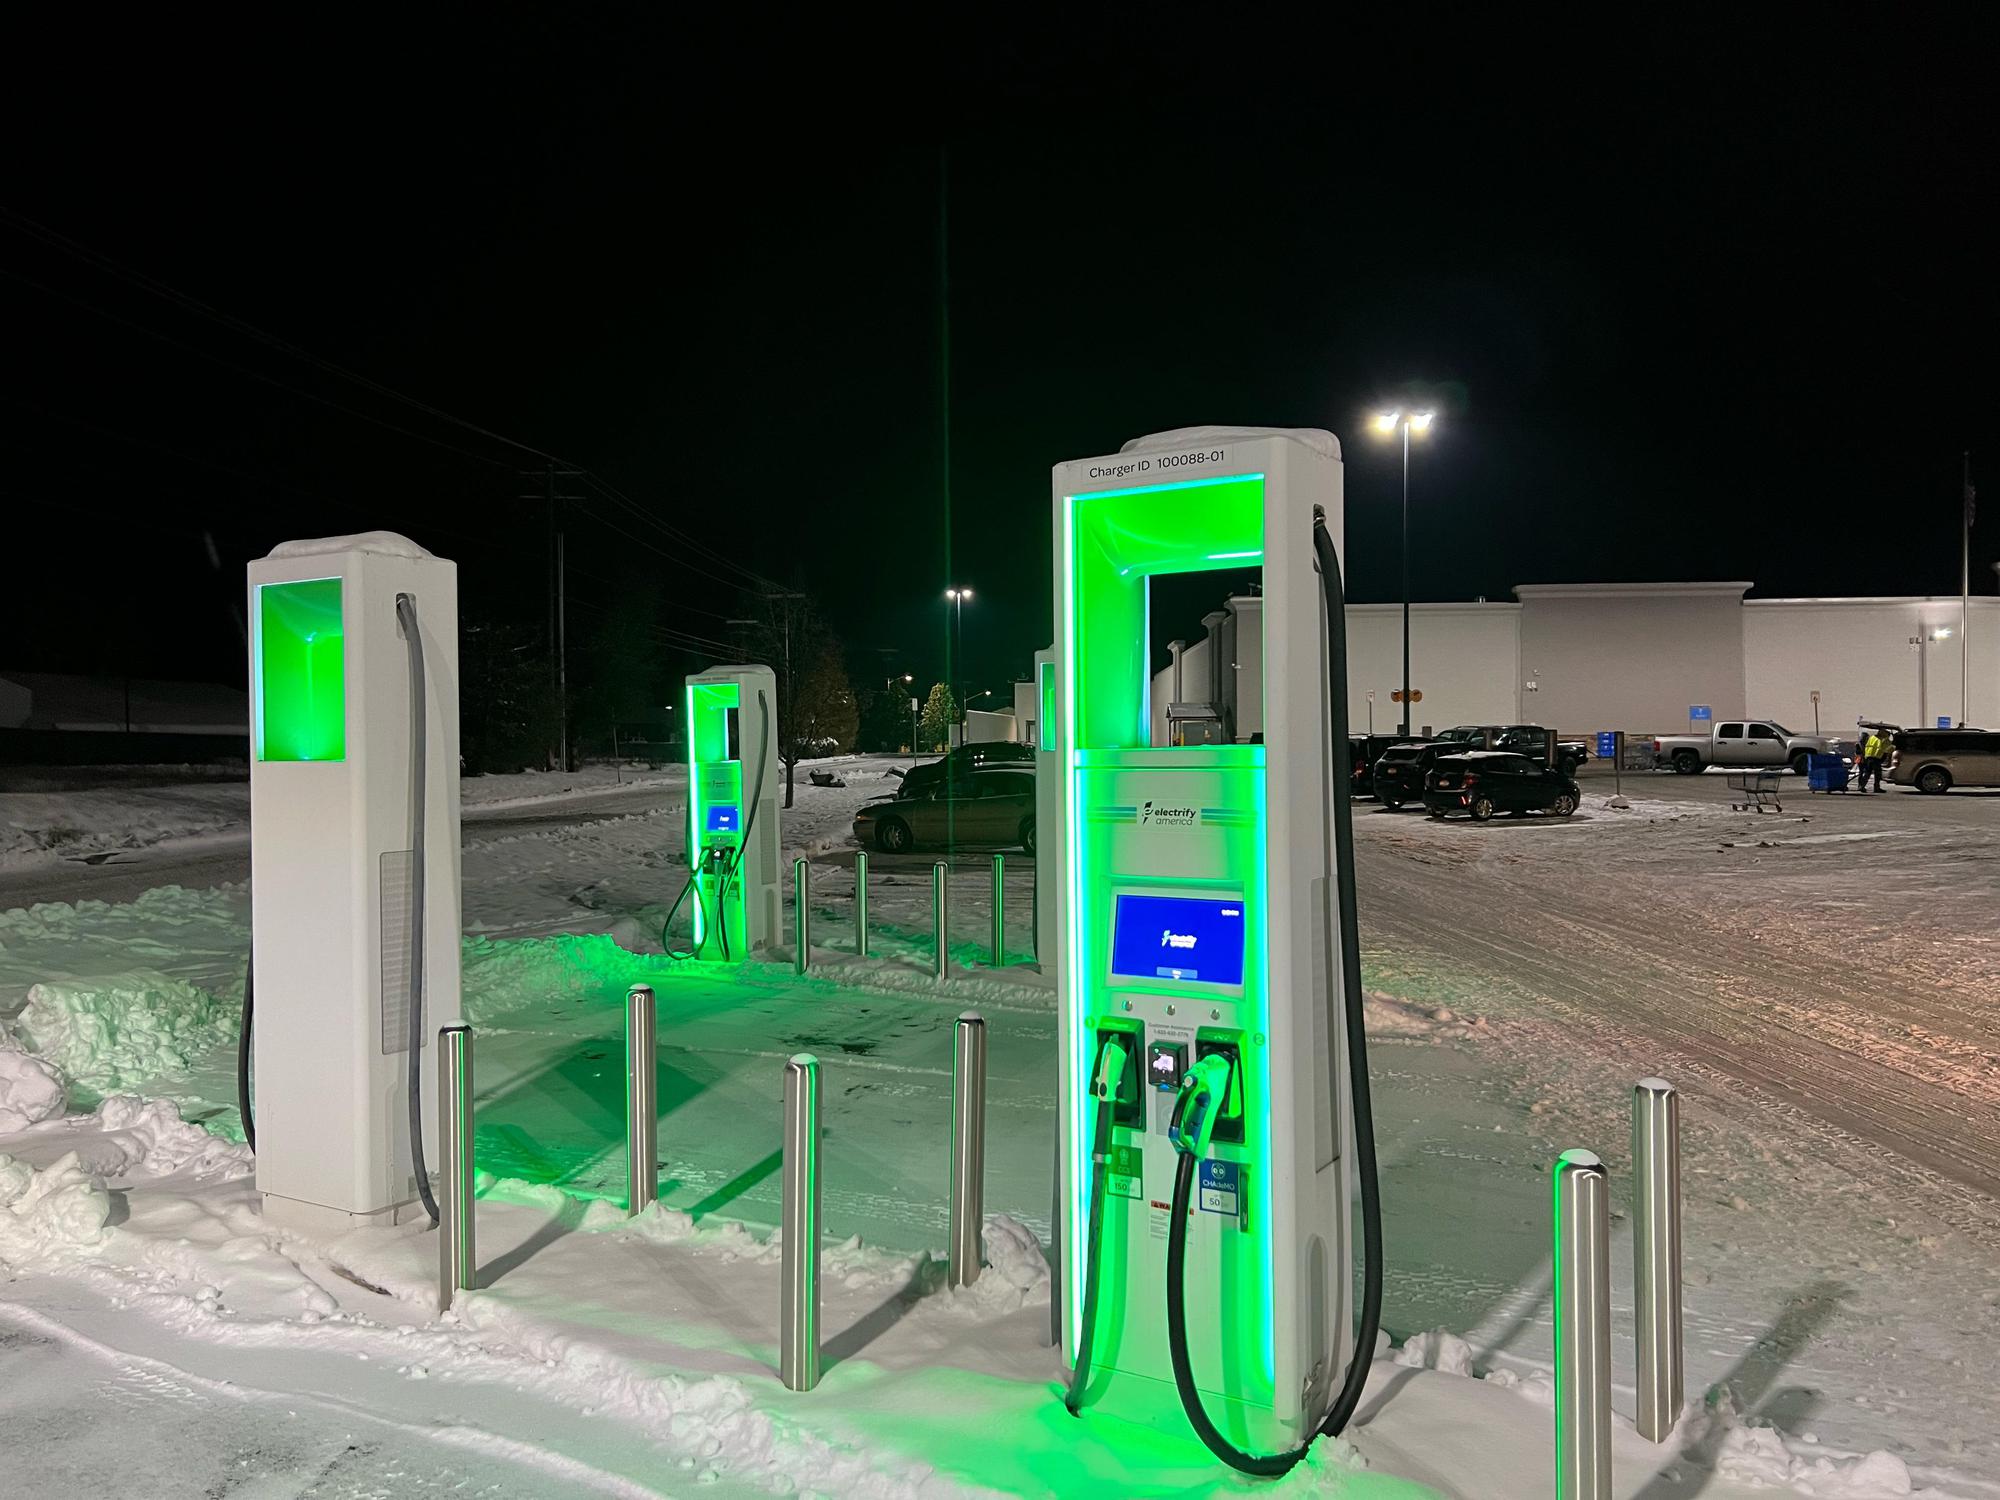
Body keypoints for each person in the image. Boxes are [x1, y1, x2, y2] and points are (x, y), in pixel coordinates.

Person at [1857, 728, 1888, 792]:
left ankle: (1861, 786)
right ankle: (1876, 787)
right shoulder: (1881, 740)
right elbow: (1885, 749)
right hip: (1876, 758)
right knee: (1877, 774)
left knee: (1867, 773)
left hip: (1868, 757)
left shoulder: (1872, 738)